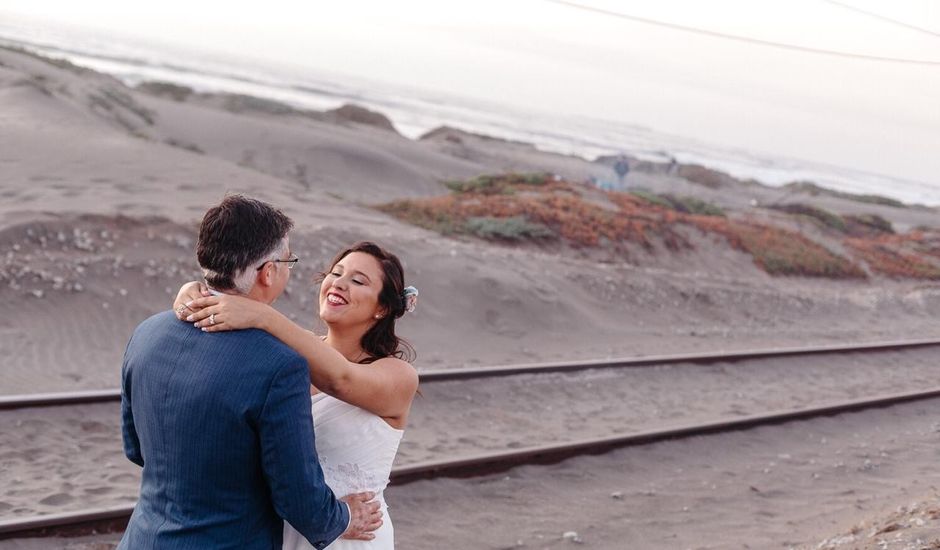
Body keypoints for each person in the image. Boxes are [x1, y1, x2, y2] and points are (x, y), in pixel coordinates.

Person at [120, 195, 382, 550]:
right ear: (268, 271)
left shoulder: (147, 333)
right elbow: (297, 496)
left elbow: (136, 448)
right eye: (287, 260)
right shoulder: (280, 366)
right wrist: (346, 518)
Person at [173, 240, 420, 550]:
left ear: (382, 308)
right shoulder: (292, 348)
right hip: (276, 532)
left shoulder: (398, 375)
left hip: (350, 535)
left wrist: (262, 315)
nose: (338, 283)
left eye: (357, 280)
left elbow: (341, 379)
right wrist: (192, 291)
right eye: (336, 273)